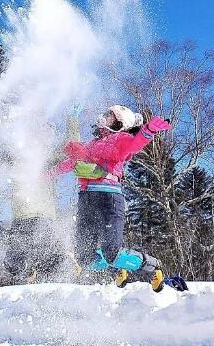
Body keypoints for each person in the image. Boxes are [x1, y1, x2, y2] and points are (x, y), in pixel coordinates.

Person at [49, 105, 172, 291]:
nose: (104, 117)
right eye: (106, 114)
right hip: (86, 201)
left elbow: (135, 144)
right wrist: (43, 175)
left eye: (110, 116)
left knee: (111, 252)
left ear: (119, 123)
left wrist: (149, 131)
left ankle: (152, 267)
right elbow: (69, 164)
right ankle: (117, 270)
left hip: (109, 199)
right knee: (84, 257)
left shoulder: (120, 139)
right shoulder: (91, 144)